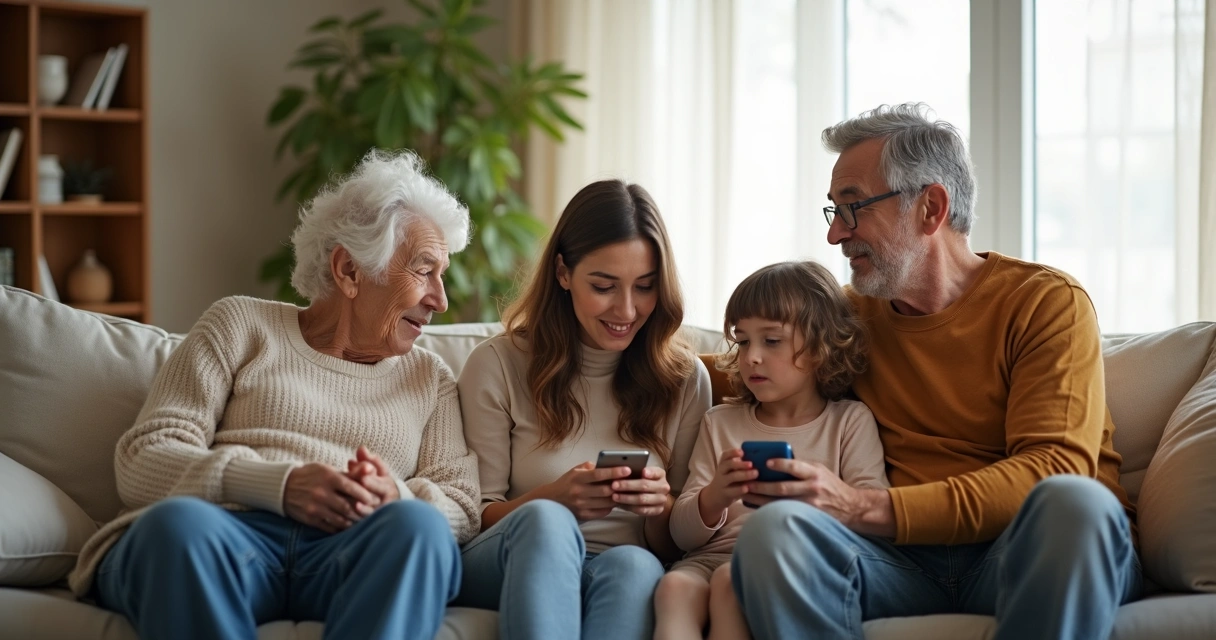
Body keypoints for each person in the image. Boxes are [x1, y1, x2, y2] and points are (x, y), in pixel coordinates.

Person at [730, 103, 1140, 640]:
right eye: (833, 212)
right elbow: (750, 361)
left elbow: (1052, 467)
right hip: (898, 565)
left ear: (930, 207)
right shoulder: (850, 317)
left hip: (1025, 549)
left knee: (1075, 503)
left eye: (853, 209)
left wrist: (864, 506)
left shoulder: (1044, 303)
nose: (835, 237)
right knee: (775, 532)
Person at [67, 151, 481, 640]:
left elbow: (462, 507)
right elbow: (143, 458)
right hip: (224, 540)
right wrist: (277, 484)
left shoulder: (429, 379)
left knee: (419, 529)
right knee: (175, 526)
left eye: (442, 275)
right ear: (349, 270)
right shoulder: (240, 324)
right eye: (423, 271)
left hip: (347, 556)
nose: (441, 299)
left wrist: (398, 494)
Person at [455, 179, 713, 640]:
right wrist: (556, 498)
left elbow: (679, 543)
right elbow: (475, 515)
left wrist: (659, 508)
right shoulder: (497, 364)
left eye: (645, 287)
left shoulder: (685, 379)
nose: (627, 309)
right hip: (507, 554)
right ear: (562, 273)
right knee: (547, 522)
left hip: (618, 562)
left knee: (636, 564)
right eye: (604, 286)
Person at [654, 260, 889, 640]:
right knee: (673, 588)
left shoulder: (848, 421)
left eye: (772, 340)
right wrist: (714, 497)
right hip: (708, 557)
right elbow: (681, 536)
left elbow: (872, 510)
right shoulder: (720, 422)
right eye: (743, 341)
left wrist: (819, 495)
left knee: (732, 583)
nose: (752, 357)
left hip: (786, 562)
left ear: (819, 346)